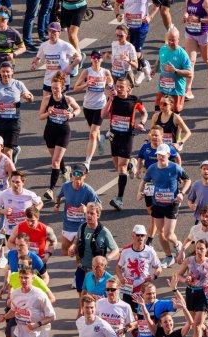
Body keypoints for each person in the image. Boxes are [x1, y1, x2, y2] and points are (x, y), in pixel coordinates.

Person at [101, 76, 147, 210]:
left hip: (127, 137)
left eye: (122, 87)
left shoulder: (134, 100)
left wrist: (141, 123)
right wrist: (110, 98)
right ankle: (131, 167)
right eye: (117, 86)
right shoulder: (112, 99)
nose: (119, 89)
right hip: (114, 137)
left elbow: (144, 113)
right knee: (117, 165)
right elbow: (102, 115)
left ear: (129, 88)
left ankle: (119, 199)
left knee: (121, 167)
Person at [39, 72, 82, 202]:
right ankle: (65, 171)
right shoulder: (47, 99)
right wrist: (48, 112)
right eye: (52, 88)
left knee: (55, 161)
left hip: (63, 132)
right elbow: (40, 116)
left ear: (62, 88)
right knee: (56, 158)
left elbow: (78, 109)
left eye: (57, 88)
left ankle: (51, 190)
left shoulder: (67, 100)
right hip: (50, 132)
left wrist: (71, 115)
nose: (54, 91)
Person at [0, 62, 35, 162]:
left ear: (12, 72)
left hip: (14, 121)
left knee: (7, 151)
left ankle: (9, 176)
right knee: (1, 150)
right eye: (3, 71)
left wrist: (28, 97)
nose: (5, 74)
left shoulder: (18, 84)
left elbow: (31, 98)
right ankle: (14, 150)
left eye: (7, 71)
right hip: (0, 122)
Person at [72, 50, 113, 169]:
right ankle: (100, 139)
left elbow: (111, 85)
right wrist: (86, 85)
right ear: (91, 59)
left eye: (98, 57)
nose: (96, 59)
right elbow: (75, 88)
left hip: (100, 106)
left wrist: (110, 87)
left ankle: (87, 162)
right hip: (87, 106)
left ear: (101, 59)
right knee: (94, 132)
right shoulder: (86, 71)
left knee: (92, 134)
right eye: (94, 57)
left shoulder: (106, 72)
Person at [67, 202, 120, 295]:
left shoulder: (104, 232)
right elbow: (77, 240)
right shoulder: (82, 227)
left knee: (95, 297)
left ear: (98, 215)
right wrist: (72, 247)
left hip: (96, 271)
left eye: (92, 213)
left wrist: (106, 259)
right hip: (81, 268)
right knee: (81, 294)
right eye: (87, 212)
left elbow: (115, 250)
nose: (88, 215)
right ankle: (81, 310)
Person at [56, 163, 100, 256]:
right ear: (71, 175)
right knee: (65, 252)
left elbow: (99, 206)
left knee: (79, 255)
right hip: (68, 225)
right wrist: (57, 204)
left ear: (85, 175)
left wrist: (87, 208)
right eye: (75, 174)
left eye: (80, 174)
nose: (77, 176)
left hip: (82, 227)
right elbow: (58, 196)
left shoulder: (88, 190)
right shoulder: (66, 187)